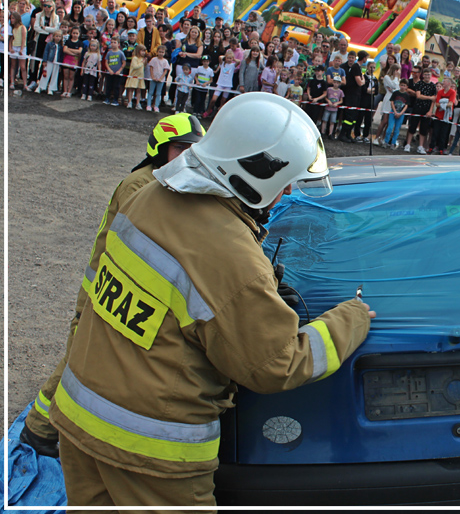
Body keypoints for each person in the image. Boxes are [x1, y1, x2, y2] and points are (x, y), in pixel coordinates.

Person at [52, 94, 375, 509]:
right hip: (153, 452)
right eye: (285, 179)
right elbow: (274, 363)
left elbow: (102, 289)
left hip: (79, 420)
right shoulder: (230, 255)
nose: (290, 189)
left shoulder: (147, 194)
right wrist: (351, 319)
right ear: (253, 174)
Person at [20, 115, 205, 458]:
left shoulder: (168, 181)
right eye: (180, 148)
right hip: (103, 286)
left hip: (119, 286)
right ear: (161, 149)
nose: (186, 156)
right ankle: (38, 429)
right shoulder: (141, 185)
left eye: (193, 149)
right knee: (79, 355)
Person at [145, 44, 171, 112]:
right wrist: (152, 76)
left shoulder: (165, 61)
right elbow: (151, 68)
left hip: (161, 80)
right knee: (150, 92)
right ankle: (148, 105)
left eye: (162, 52)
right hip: (153, 78)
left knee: (158, 93)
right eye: (159, 52)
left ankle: (156, 106)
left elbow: (165, 70)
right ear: (157, 52)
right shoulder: (154, 59)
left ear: (164, 53)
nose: (161, 53)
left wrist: (161, 78)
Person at [102, 37, 126, 106]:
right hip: (110, 73)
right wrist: (109, 70)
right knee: (108, 86)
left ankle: (115, 100)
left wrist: (119, 71)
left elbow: (123, 63)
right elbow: (106, 62)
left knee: (116, 87)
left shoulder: (121, 53)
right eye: (111, 42)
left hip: (117, 74)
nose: (113, 44)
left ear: (118, 44)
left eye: (114, 42)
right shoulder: (109, 53)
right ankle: (107, 98)